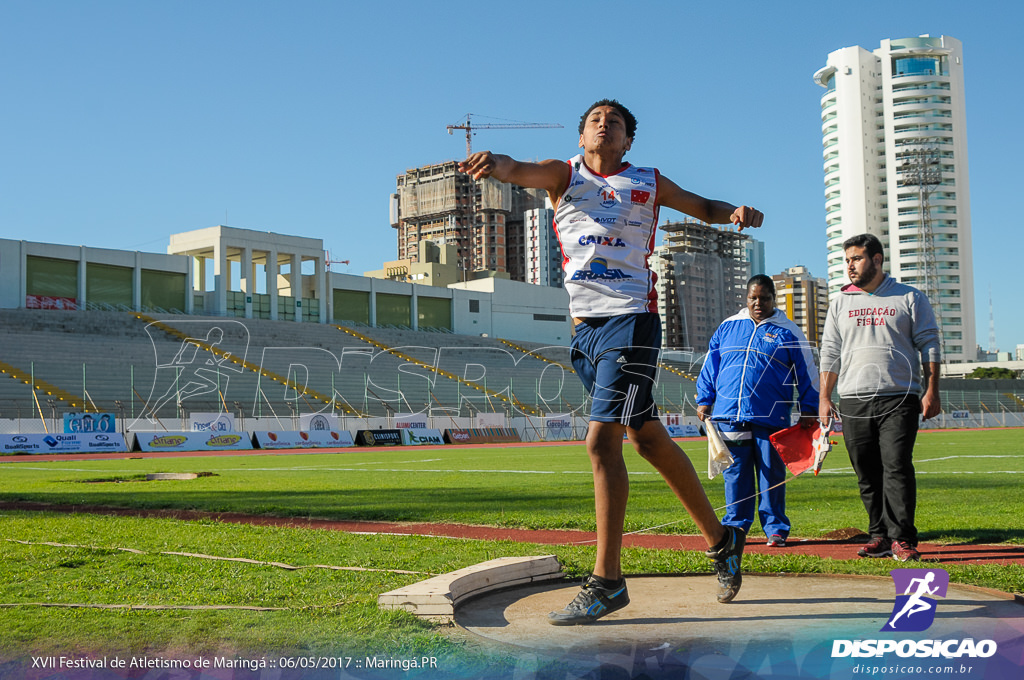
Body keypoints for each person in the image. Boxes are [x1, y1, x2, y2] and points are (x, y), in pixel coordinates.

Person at [459, 99, 763, 625]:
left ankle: (607, 582)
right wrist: (496, 162)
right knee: (645, 437)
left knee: (601, 440)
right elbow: (514, 169)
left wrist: (736, 211)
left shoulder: (648, 181)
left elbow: (706, 208)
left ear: (627, 142)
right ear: (582, 136)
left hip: (633, 319)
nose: (605, 125)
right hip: (585, 330)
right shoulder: (563, 174)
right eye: (596, 120)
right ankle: (722, 540)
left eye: (615, 122)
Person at [818, 233, 941, 562]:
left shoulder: (909, 297)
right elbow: (830, 351)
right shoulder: (840, 302)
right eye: (847, 261)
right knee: (866, 472)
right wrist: (825, 398)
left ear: (876, 259)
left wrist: (932, 389)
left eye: (856, 259)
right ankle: (879, 535)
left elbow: (929, 343)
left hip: (899, 396)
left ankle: (902, 538)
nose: (850, 266)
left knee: (896, 466)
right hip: (854, 398)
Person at [696, 275, 819, 548]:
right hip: (729, 415)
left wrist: (809, 407)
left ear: (773, 299)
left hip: (770, 416)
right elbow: (710, 365)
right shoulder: (728, 327)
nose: (758, 303)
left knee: (771, 474)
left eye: (764, 298)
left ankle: (775, 529)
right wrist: (704, 398)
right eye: (753, 298)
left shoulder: (789, 331)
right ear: (746, 298)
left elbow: (808, 372)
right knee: (735, 473)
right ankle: (735, 527)